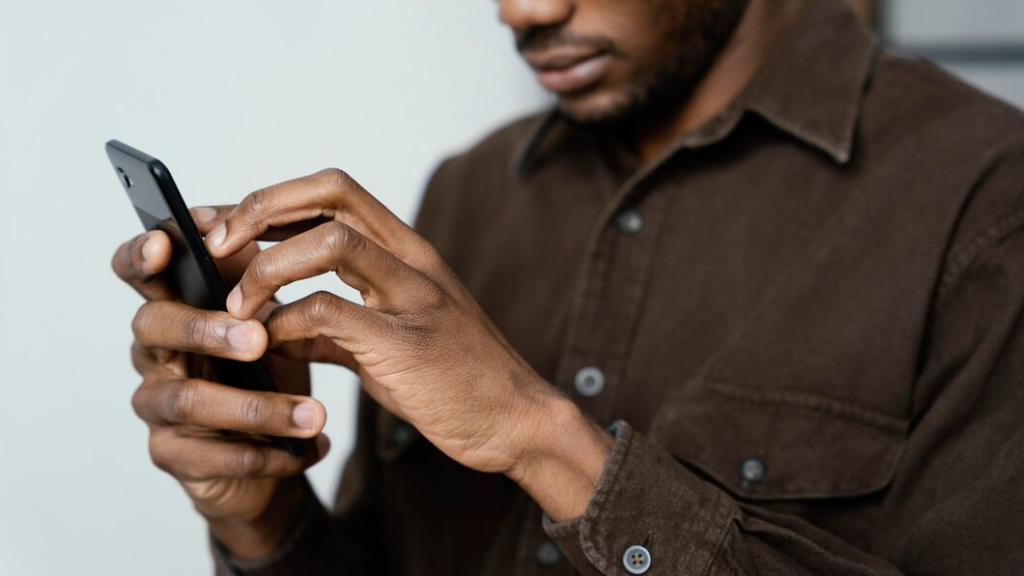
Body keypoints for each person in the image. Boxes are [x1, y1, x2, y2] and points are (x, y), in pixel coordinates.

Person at [112, 0, 1024, 573]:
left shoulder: (986, 198)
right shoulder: (466, 190)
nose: (522, 12)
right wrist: (265, 518)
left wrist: (540, 438)